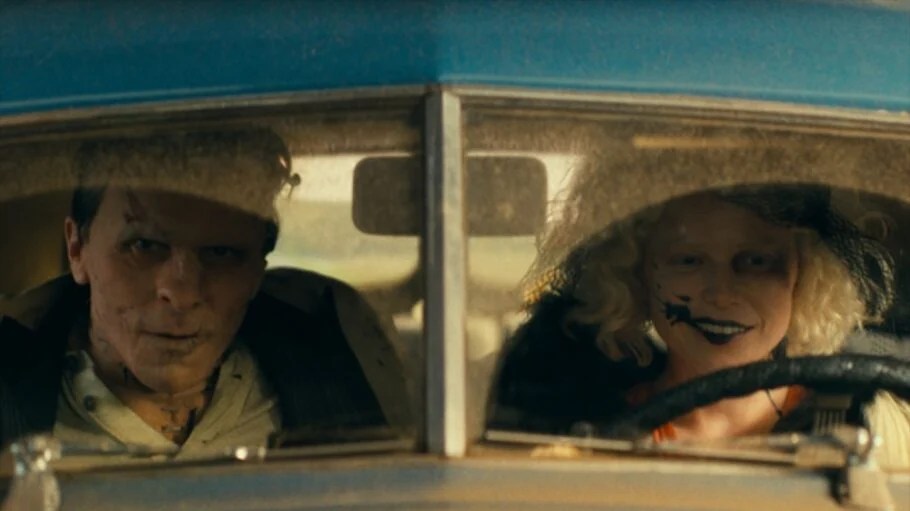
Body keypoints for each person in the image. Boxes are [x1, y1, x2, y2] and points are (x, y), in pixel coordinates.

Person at [0, 129, 411, 457]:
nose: (181, 293)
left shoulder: (341, 364)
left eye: (221, 253)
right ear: (77, 249)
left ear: (257, 271)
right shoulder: (10, 391)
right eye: (143, 246)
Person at [490, 154, 910, 469]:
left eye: (756, 261)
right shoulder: (586, 438)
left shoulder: (875, 423)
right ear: (636, 274)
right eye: (688, 260)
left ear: (803, 275)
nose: (721, 294)